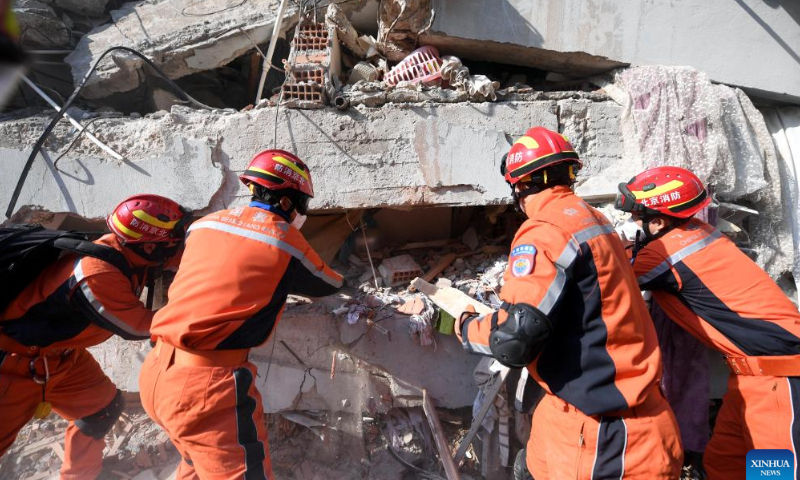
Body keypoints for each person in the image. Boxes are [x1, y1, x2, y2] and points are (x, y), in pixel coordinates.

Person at [457, 127, 683, 479]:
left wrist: (466, 326)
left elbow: (514, 340)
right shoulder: (594, 219)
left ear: (519, 186)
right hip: (584, 410)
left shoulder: (544, 230)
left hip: (607, 434)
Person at [139, 149, 343, 480]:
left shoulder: (204, 224)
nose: (302, 212)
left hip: (157, 373)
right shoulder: (283, 237)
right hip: (206, 389)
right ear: (288, 202)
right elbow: (327, 284)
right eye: (302, 203)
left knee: (194, 462)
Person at [616, 166, 800, 480]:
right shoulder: (692, 234)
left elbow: (605, 277)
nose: (633, 224)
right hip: (750, 377)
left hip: (779, 376)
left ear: (658, 221)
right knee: (725, 465)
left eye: (637, 217)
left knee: (772, 473)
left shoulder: (667, 253)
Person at [0, 194, 189, 480]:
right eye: (174, 243)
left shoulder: (130, 254)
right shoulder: (96, 273)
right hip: (11, 365)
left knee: (101, 408)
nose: (179, 249)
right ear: (150, 246)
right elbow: (141, 327)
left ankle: (80, 476)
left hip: (59, 359)